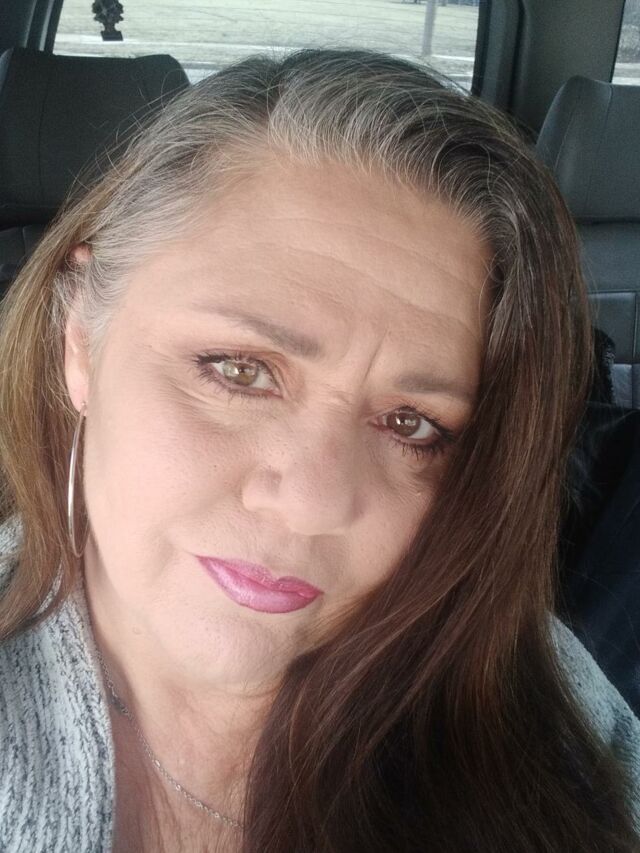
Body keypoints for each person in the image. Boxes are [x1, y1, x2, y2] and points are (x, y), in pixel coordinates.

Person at [0, 48, 637, 853]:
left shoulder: (553, 719)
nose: (311, 501)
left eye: (412, 425)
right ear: (80, 341)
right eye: (239, 370)